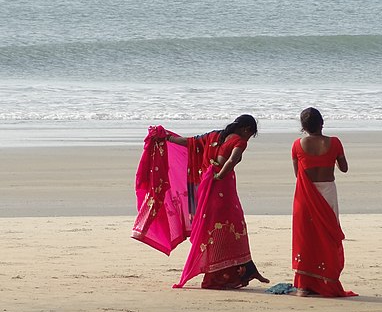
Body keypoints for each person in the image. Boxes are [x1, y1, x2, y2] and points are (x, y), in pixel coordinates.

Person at [132, 115, 269, 290]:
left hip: (206, 189)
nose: (248, 138)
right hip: (222, 190)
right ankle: (225, 274)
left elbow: (188, 142)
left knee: (214, 228)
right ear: (246, 129)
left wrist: (166, 138)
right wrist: (220, 175)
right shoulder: (239, 141)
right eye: (250, 135)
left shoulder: (213, 136)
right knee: (233, 228)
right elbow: (232, 160)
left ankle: (247, 269)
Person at [291, 107, 357, 297]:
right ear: (322, 123)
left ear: (303, 127)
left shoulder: (297, 145)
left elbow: (298, 175)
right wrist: (334, 156)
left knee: (306, 237)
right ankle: (327, 279)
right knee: (328, 236)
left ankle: (304, 285)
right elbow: (344, 168)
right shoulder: (334, 142)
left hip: (306, 195)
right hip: (327, 192)